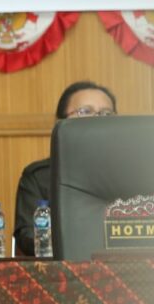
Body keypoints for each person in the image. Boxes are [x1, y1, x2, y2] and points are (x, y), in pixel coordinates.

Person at [13, 81, 117, 256]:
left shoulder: (132, 175)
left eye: (106, 113)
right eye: (85, 111)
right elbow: (28, 237)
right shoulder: (39, 177)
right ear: (60, 123)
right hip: (61, 269)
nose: (97, 119)